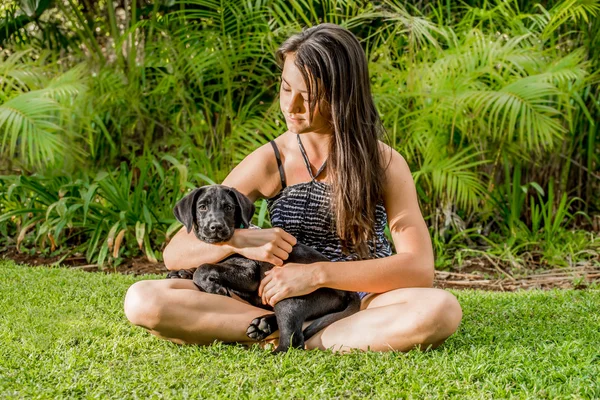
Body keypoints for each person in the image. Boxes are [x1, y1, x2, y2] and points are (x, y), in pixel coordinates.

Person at [124, 23, 462, 353]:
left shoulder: (385, 163)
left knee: (439, 310)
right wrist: (241, 240)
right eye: (287, 89)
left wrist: (315, 275)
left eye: (309, 96)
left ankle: (295, 335)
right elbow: (176, 252)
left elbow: (418, 268)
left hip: (361, 300)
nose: (291, 106)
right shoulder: (272, 160)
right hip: (272, 299)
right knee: (144, 300)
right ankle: (291, 329)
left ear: (343, 94)